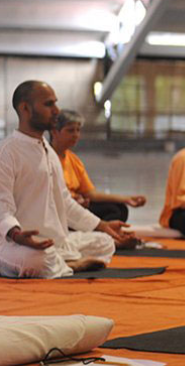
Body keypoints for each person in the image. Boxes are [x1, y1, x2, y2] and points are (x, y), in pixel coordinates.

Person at [0, 81, 130, 279]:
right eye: (48, 104)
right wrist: (17, 235)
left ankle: (63, 262)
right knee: (37, 260)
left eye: (55, 104)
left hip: (53, 241)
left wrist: (102, 225)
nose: (56, 111)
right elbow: (2, 208)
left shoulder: (48, 151)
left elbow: (65, 201)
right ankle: (70, 265)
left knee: (105, 242)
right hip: (14, 243)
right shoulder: (7, 152)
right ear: (25, 108)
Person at [50, 109, 146, 223]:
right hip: (57, 209)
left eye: (78, 130)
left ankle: (101, 232)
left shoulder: (73, 160)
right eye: (70, 131)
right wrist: (73, 201)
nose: (76, 135)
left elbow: (91, 194)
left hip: (76, 206)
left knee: (119, 208)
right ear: (54, 132)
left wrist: (126, 199)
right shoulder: (46, 158)